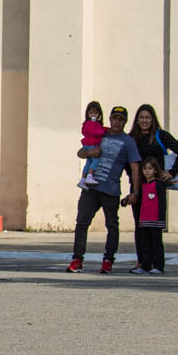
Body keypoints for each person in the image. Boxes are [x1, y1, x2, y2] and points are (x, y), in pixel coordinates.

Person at [67, 105, 141, 274]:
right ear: (109, 119)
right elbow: (81, 152)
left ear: (125, 121)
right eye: (114, 118)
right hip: (90, 187)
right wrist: (91, 152)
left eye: (121, 119)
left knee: (112, 225)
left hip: (110, 189)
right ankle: (77, 260)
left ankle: (108, 260)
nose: (117, 122)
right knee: (82, 223)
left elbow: (135, 167)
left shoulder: (128, 142)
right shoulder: (101, 133)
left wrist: (135, 192)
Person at [129, 104, 178, 187]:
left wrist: (171, 173)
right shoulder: (131, 138)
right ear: (137, 120)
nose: (144, 120)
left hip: (157, 185)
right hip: (137, 186)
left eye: (147, 118)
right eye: (141, 117)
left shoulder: (161, 136)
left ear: (153, 120)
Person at [127, 157, 168, 274]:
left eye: (150, 168)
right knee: (145, 244)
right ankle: (145, 266)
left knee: (156, 244)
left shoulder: (159, 185)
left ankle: (158, 266)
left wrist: (161, 219)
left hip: (155, 221)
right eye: (145, 169)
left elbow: (162, 203)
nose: (147, 171)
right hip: (144, 220)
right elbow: (140, 202)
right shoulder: (142, 185)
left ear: (155, 170)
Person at [78, 101, 106, 187]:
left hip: (89, 145)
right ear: (88, 114)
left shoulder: (93, 124)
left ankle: (82, 179)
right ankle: (89, 176)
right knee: (96, 160)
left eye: (96, 112)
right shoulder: (89, 124)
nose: (93, 115)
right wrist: (103, 131)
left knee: (88, 163)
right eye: (91, 113)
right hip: (91, 145)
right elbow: (95, 132)